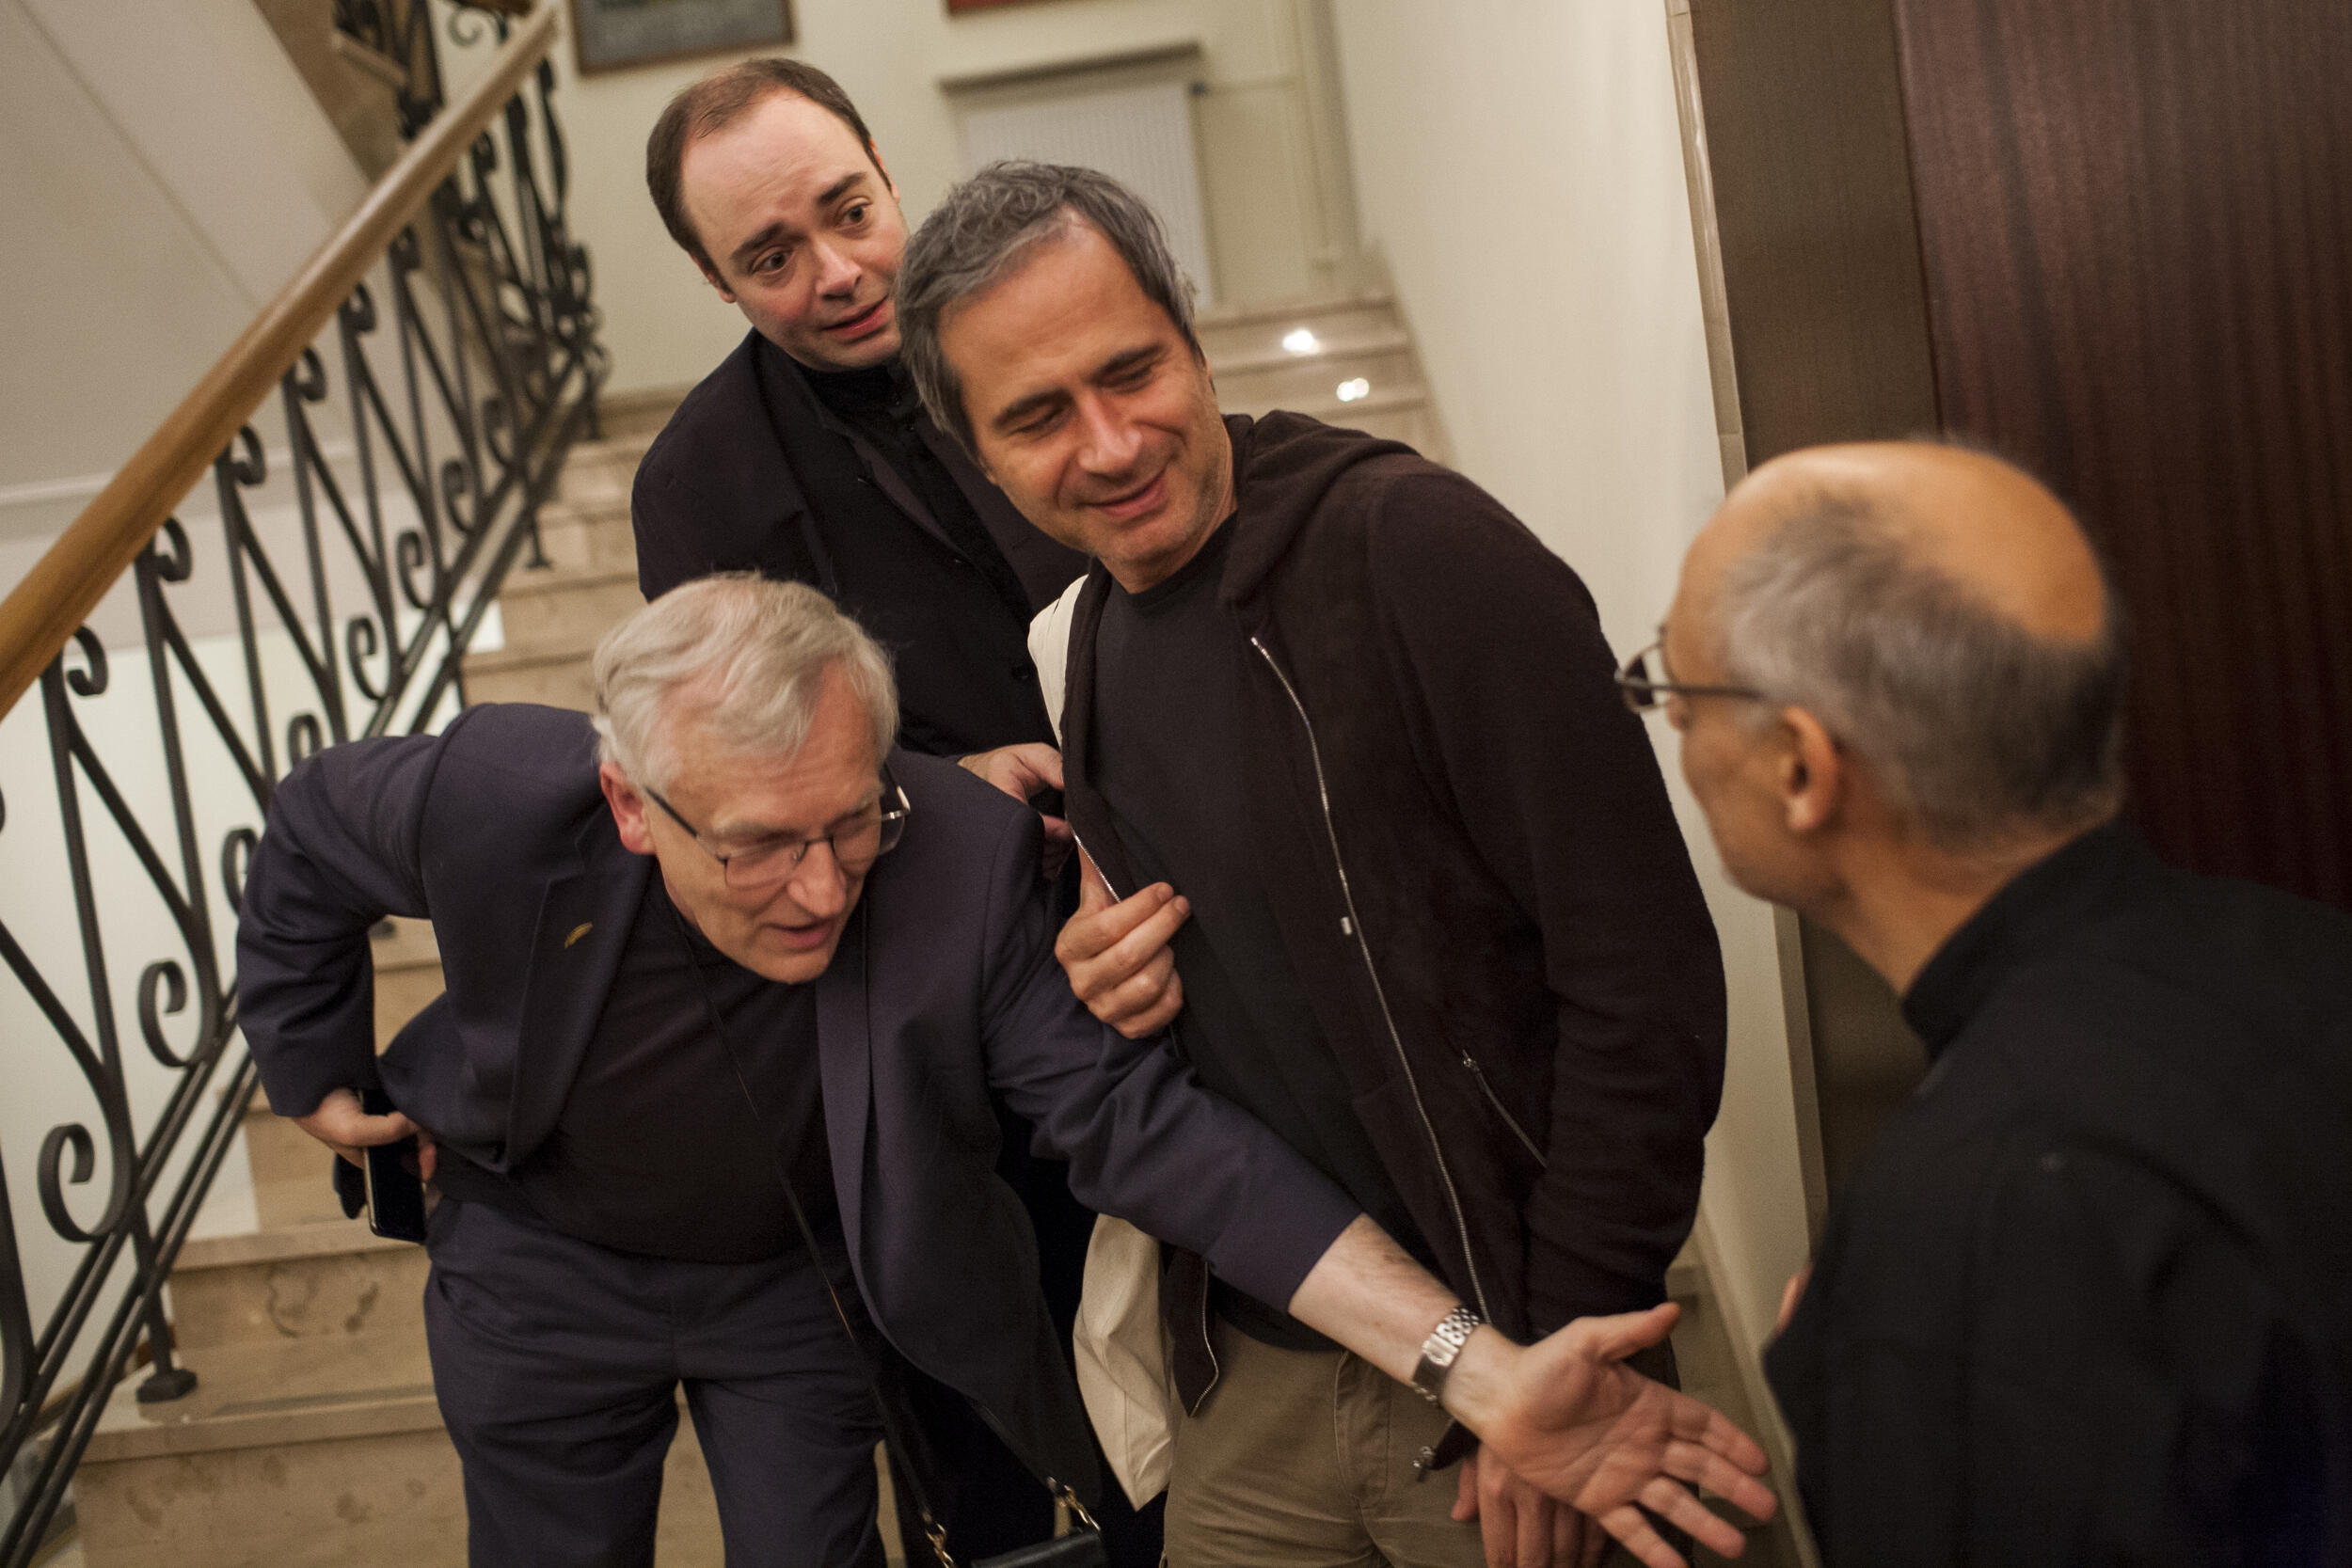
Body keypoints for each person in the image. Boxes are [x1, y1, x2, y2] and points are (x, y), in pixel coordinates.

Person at [236, 576, 1777, 1568]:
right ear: (633, 806)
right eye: (758, 845)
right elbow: (305, 829)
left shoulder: (960, 855)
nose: (822, 889)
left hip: (796, 1285)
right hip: (539, 1262)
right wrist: (306, 1056)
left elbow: (1152, 1133)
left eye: (852, 819)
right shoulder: (497, 793)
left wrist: (1475, 1363)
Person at [897, 165, 1733, 1568]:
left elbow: (1640, 978)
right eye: (1038, 416)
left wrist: (1557, 1354)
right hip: (1257, 1373)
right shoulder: (1078, 640)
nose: (1110, 443)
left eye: (1131, 370)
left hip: (1515, 1347)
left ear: (1191, 335)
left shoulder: (1417, 551)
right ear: (980, 457)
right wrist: (1112, 982)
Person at [1629, 439, 2352, 1563]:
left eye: (1675, 688)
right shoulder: (2303, 944)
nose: (1672, 726)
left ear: (1799, 767)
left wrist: (1910, 1346)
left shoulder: (1979, 1218)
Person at [632, 61, 1104, 1552]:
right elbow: (730, 758)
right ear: (715, 280)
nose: (837, 272)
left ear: (891, 174)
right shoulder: (693, 479)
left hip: (1168, 890)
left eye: (850, 211)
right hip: (930, 977)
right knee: (1000, 1400)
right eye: (772, 256)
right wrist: (937, 791)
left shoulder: (1041, 329)